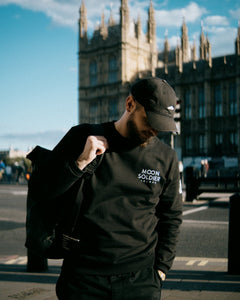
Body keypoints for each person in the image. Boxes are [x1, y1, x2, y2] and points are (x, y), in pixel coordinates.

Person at [42, 77, 182, 299]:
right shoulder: (82, 137)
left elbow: (171, 216)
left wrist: (161, 270)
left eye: (161, 125)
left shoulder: (167, 158)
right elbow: (46, 191)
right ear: (130, 104)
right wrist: (79, 164)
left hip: (140, 281)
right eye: (150, 121)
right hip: (83, 280)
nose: (155, 130)